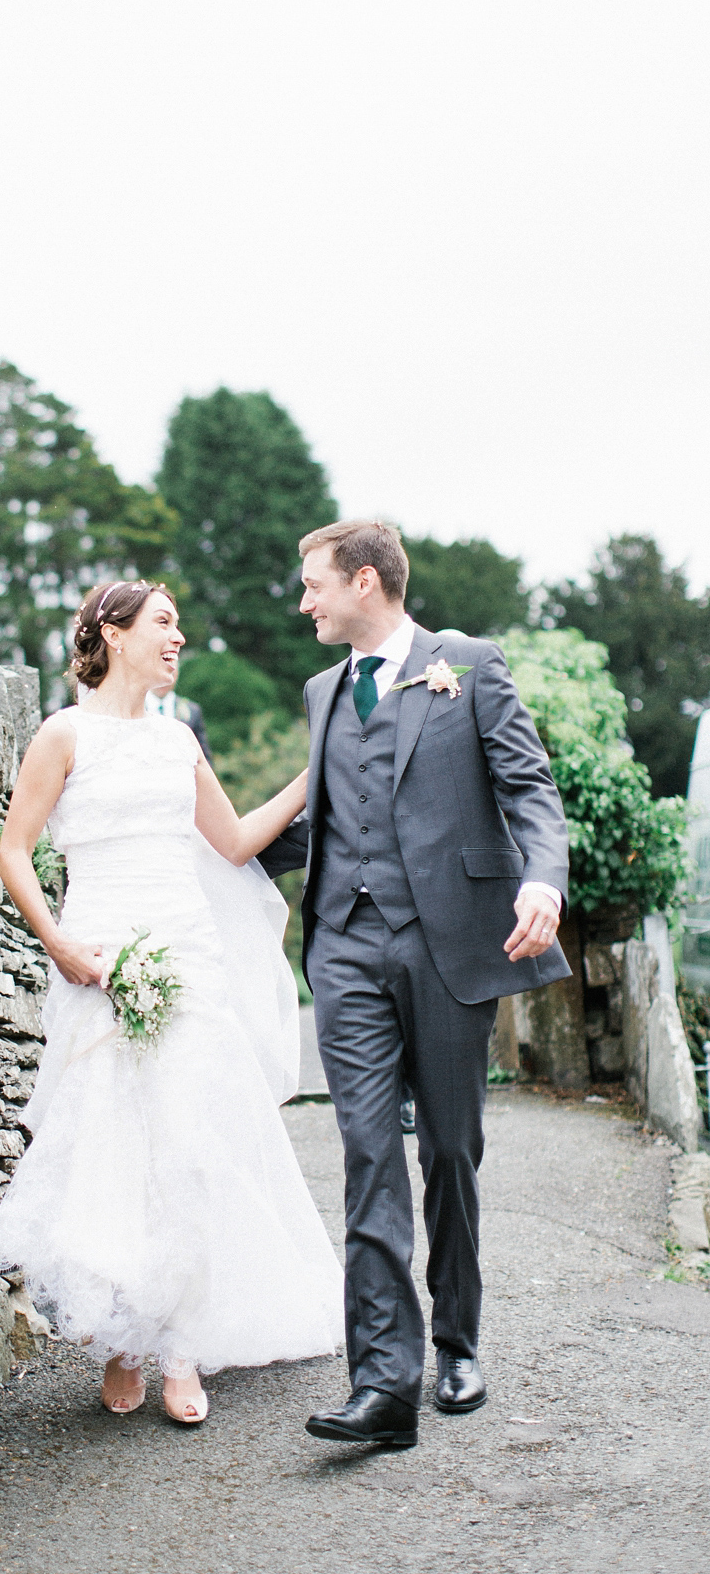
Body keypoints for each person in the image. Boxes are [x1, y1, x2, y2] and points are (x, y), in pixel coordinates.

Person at [0, 579, 344, 1425]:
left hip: (186, 954)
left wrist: (313, 772)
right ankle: (121, 1340)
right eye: (162, 623)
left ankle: (181, 1349)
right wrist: (60, 944)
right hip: (99, 957)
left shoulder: (178, 739)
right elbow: (13, 850)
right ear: (112, 634)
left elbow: (233, 842)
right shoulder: (63, 733)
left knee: (186, 1143)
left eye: (179, 623)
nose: (177, 637)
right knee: (112, 1147)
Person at [260, 520, 569, 1450]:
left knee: (448, 1148)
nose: (304, 602)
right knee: (364, 1150)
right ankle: (384, 1385)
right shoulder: (322, 689)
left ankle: (458, 1339)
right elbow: (333, 813)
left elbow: (530, 790)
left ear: (364, 582)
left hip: (447, 944)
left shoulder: (465, 664)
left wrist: (542, 877)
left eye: (314, 585)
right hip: (345, 949)